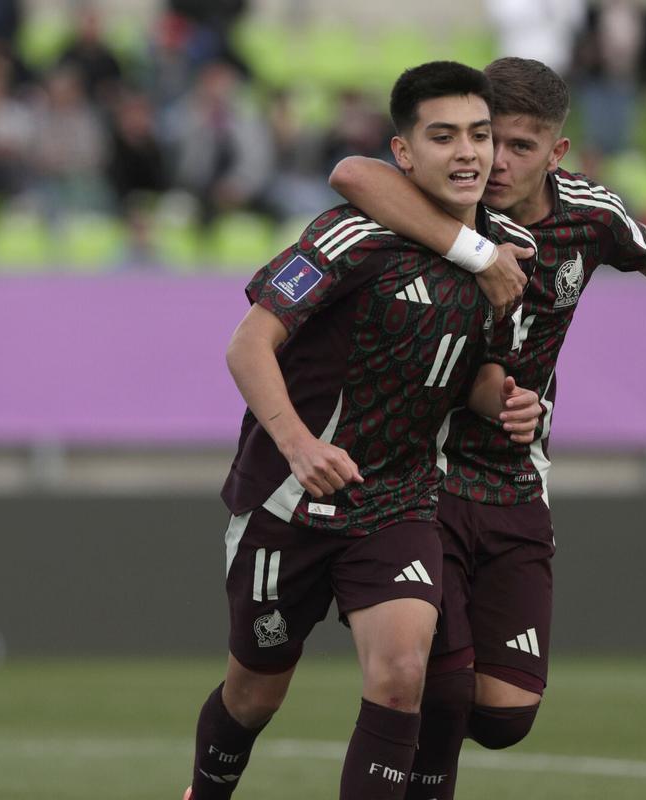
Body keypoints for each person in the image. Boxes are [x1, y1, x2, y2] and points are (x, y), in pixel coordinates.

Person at [329, 56, 646, 799]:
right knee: (438, 693)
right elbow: (354, 174)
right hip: (422, 473)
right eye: (490, 141)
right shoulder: (444, 208)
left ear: (558, 152)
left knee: (505, 715)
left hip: (517, 477)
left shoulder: (589, 214)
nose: (496, 163)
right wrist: (473, 252)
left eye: (520, 146)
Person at [186, 61, 547, 800]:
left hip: (401, 499)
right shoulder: (355, 235)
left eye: (480, 134)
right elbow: (247, 345)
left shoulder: (511, 254)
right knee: (255, 695)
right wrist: (299, 444)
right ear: (405, 154)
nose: (469, 153)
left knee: (402, 673)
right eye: (443, 136)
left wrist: (504, 399)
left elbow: (473, 370)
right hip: (291, 499)